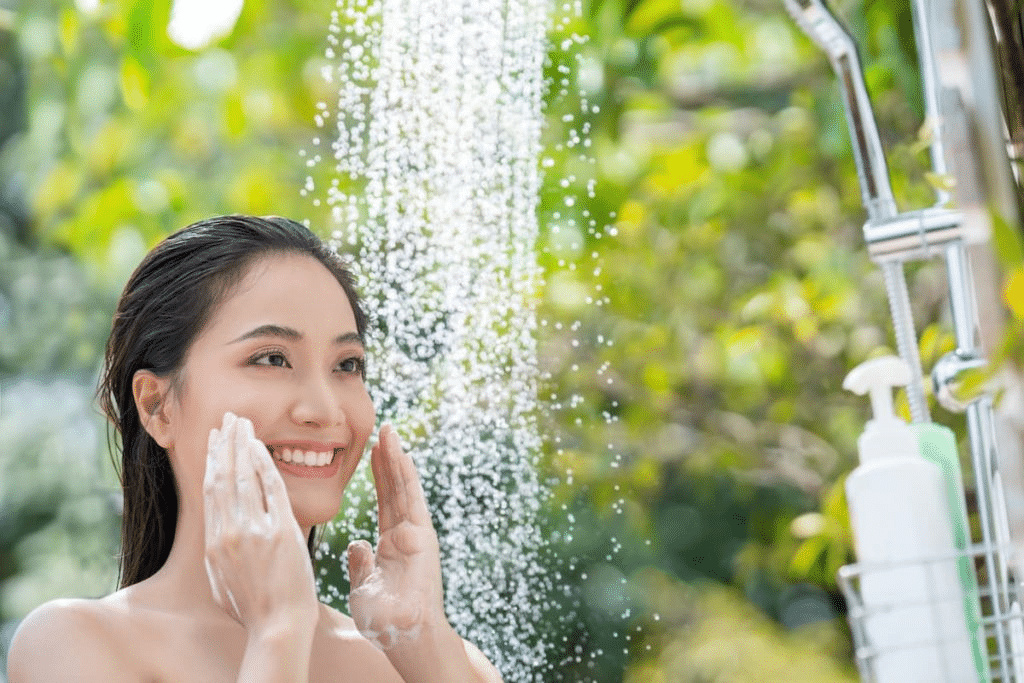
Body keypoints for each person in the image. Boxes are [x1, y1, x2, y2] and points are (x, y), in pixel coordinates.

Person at [6, 215, 504, 683]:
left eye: (347, 365)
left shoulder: (430, 661)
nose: (325, 410)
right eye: (272, 358)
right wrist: (278, 631)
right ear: (157, 406)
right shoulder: (73, 646)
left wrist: (421, 641)